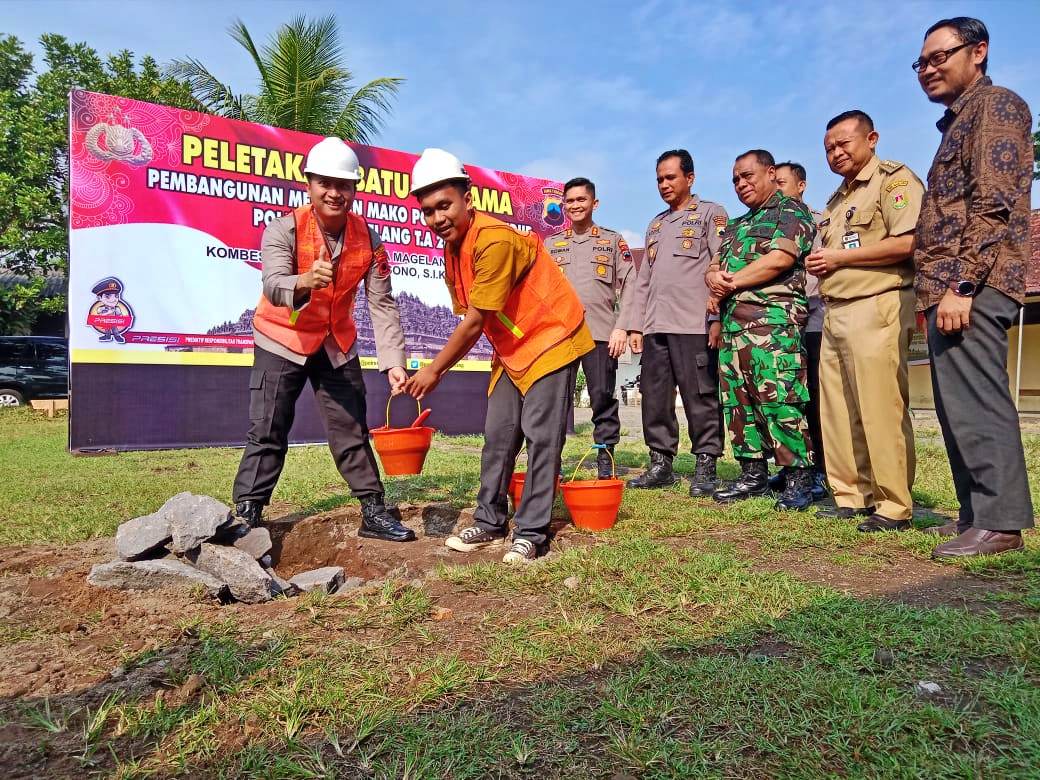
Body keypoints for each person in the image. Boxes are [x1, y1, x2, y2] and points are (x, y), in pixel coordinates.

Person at [404, 149, 593, 564]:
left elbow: (475, 321)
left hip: (551, 336)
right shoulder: (453, 252)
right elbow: (480, 320)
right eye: (428, 210)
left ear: (467, 199)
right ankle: (489, 521)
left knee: (542, 436)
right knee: (500, 432)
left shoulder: (493, 240)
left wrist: (433, 371)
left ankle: (532, 532)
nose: (437, 219)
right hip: (512, 349)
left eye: (445, 206)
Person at [229, 137, 415, 543]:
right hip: (282, 338)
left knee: (352, 429)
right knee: (268, 427)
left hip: (335, 342)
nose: (334, 192)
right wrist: (305, 282)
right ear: (309, 184)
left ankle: (372, 510)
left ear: (354, 189)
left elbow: (382, 304)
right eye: (324, 183)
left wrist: (394, 362)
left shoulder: (371, 239)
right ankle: (248, 511)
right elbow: (274, 285)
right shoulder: (283, 228)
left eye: (343, 185)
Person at [913, 17, 1034, 558]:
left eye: (940, 56)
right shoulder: (957, 122)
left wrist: (963, 284)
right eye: (922, 62)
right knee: (955, 403)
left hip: (976, 282)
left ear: (979, 51)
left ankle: (1001, 521)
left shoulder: (997, 106)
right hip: (949, 287)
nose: (929, 69)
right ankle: (975, 512)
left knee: (979, 399)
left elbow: (994, 202)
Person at [808, 111, 923, 532]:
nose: (836, 153)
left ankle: (893, 503)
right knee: (838, 409)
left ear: (871, 138)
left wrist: (839, 258)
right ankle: (852, 494)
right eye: (829, 149)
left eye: (843, 144)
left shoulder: (893, 181)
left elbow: (909, 240)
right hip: (835, 308)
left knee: (880, 405)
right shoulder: (836, 201)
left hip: (878, 301)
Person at [706, 150, 817, 510]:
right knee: (738, 404)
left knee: (780, 399)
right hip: (733, 329)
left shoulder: (791, 211)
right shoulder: (737, 225)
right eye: (736, 179)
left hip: (772, 325)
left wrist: (728, 283)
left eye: (748, 176)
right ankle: (752, 475)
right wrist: (714, 279)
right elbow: (713, 266)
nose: (741, 184)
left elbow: (779, 259)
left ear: (771, 173)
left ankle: (799, 478)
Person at [619, 150, 727, 496]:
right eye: (660, 179)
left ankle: (706, 464)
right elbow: (643, 280)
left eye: (671, 177)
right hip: (656, 327)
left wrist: (716, 318)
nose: (664, 184)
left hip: (694, 324)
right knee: (654, 396)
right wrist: (636, 325)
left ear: (690, 178)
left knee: (700, 396)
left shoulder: (711, 214)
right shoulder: (656, 225)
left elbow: (721, 265)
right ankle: (660, 463)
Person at [544, 177, 635, 478]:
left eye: (581, 200)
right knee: (555, 402)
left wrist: (623, 327)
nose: (575, 206)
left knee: (602, 398)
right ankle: (549, 463)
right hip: (559, 336)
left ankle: (605, 462)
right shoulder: (551, 245)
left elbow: (630, 283)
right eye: (569, 201)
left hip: (600, 334)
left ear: (594, 203)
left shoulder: (611, 241)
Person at [773, 162, 828, 502]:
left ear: (801, 185)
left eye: (782, 183)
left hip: (816, 316)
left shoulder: (821, 221)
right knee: (789, 397)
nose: (776, 188)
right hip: (782, 322)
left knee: (818, 399)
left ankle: (823, 469)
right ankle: (794, 465)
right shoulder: (768, 226)